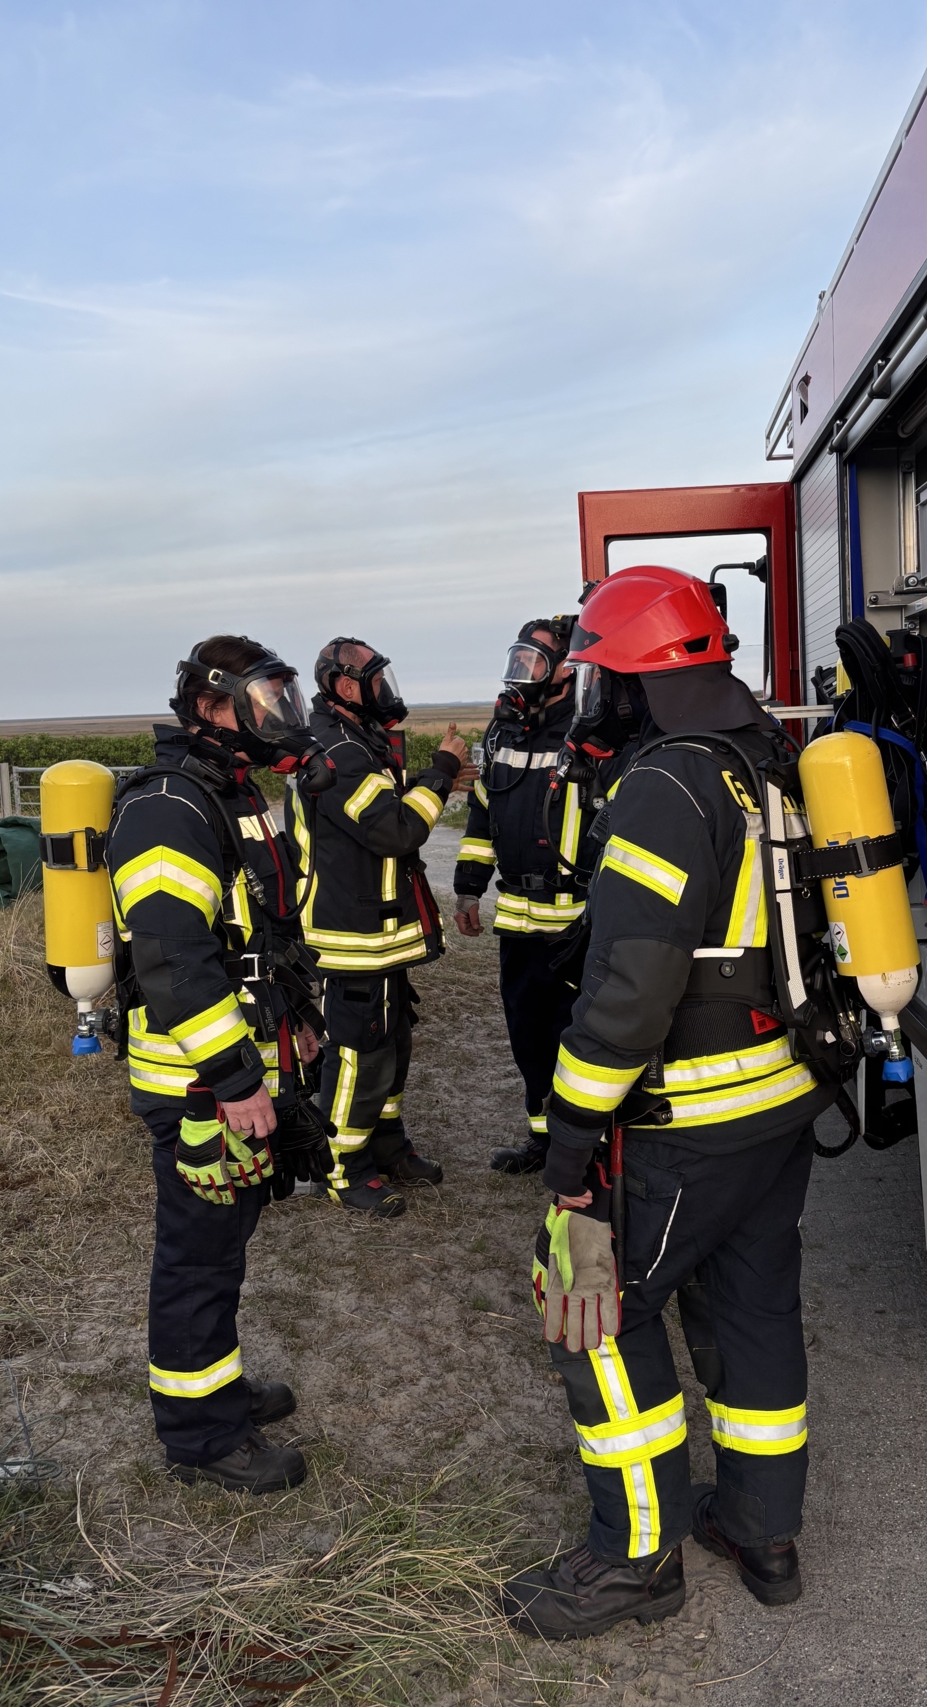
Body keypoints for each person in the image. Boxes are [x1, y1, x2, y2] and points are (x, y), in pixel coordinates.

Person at [500, 567, 831, 1641]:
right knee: (751, 1309)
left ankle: (635, 1561)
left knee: (597, 1314)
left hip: (685, 1121)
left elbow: (630, 988)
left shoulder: (662, 784)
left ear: (637, 681)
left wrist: (571, 1148)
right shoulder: (764, 763)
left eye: (601, 676)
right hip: (777, 1106)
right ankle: (760, 1531)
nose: (591, 697)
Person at [107, 635, 331, 1494]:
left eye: (285, 696)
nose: (281, 715)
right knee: (197, 1257)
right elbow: (173, 960)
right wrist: (234, 1082)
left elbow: (260, 934)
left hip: (239, 1067)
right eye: (263, 698)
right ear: (208, 706)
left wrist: (298, 1020)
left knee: (224, 1248)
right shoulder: (170, 805)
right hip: (197, 1085)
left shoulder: (232, 796)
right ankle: (201, 1439)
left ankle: (218, 1388)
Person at [288, 638, 476, 1215]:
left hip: (379, 932)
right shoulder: (337, 750)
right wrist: (441, 772)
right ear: (346, 687)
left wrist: (430, 778)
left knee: (393, 1043)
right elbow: (394, 830)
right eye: (375, 679)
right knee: (358, 1055)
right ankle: (341, 1166)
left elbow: (386, 814)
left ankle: (387, 1143)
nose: (385, 690)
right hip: (351, 936)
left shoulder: (356, 742)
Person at [453, 617, 638, 1174]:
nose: (522, 673)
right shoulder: (503, 734)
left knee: (582, 1036)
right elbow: (483, 815)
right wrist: (467, 891)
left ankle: (595, 1147)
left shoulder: (593, 735)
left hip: (579, 923)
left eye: (534, 661)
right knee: (528, 1035)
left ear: (566, 669)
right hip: (518, 922)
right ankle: (544, 1140)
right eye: (519, 660)